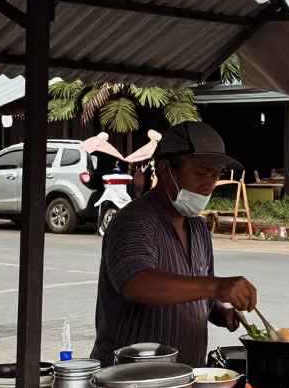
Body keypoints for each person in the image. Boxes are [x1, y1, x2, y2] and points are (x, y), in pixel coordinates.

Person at [93, 121, 257, 367]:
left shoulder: (199, 228)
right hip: (130, 384)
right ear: (165, 169)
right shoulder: (134, 221)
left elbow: (197, 292)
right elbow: (138, 284)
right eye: (200, 173)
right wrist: (215, 286)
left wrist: (219, 312)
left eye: (215, 175)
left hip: (185, 379)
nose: (209, 184)